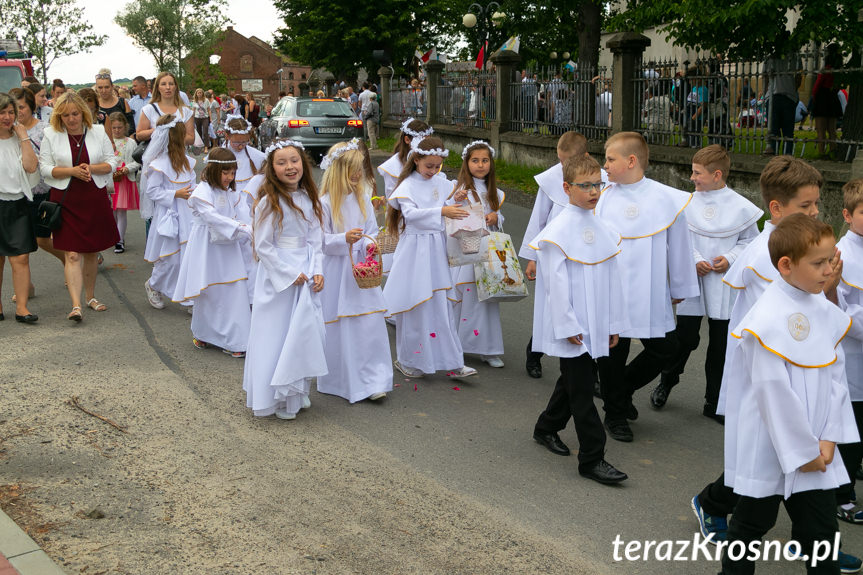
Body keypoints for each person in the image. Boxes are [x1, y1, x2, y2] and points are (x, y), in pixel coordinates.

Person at [691, 156, 827, 543]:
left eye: (816, 203)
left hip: (799, 372)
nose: (815, 211)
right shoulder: (769, 258)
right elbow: (788, 324)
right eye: (806, 206)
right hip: (766, 379)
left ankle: (820, 548)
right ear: (776, 208)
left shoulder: (803, 247)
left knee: (785, 465)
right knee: (760, 466)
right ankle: (712, 503)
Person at [719, 214, 856, 574]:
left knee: (821, 532)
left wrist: (828, 438)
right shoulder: (765, 320)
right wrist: (804, 451)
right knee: (750, 525)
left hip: (818, 449)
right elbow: (772, 393)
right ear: (786, 265)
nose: (830, 270)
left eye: (831, 260)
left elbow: (835, 380)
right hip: (771, 444)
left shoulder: (826, 313)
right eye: (819, 263)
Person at [529, 155, 628, 485]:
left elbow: (612, 277)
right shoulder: (558, 231)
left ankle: (546, 426)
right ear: (567, 188)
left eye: (598, 184)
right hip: (570, 325)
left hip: (596, 320)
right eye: (585, 186)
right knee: (582, 389)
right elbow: (555, 285)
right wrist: (568, 325)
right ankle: (592, 458)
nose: (593, 191)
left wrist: (613, 322)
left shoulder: (601, 227)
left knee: (575, 380)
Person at [595, 132, 699, 443]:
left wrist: (679, 285)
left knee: (667, 348)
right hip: (611, 286)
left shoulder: (667, 199)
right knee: (613, 352)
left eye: (610, 159)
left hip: (650, 289)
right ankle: (615, 413)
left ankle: (623, 389)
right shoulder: (601, 194)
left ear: (631, 161)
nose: (605, 165)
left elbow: (680, 246)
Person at [652, 145, 762, 421]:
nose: (692, 177)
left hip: (724, 281)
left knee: (721, 343)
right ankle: (667, 381)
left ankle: (714, 400)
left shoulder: (741, 207)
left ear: (716, 175)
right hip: (694, 276)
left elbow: (750, 242)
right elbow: (679, 238)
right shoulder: (687, 203)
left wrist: (729, 257)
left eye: (697, 173)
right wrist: (696, 259)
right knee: (685, 337)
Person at [243, 139, 326, 419]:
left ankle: (295, 391)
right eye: (282, 162)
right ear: (272, 169)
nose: (290, 167)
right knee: (277, 335)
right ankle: (273, 397)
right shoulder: (269, 202)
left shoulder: (310, 199)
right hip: (280, 277)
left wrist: (318, 270)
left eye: (294, 160)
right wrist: (290, 274)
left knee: (301, 333)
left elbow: (316, 239)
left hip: (305, 270)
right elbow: (264, 246)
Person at [383, 136, 477, 379]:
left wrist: (452, 201)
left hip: (436, 248)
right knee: (416, 303)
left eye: (438, 167)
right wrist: (442, 210)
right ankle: (409, 360)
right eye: (429, 166)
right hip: (415, 250)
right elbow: (412, 215)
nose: (433, 171)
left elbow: (442, 204)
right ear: (416, 160)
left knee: (441, 304)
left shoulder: (441, 183)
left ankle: (454, 360)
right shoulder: (406, 186)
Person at [519, 132, 605, 379]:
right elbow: (539, 219)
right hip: (555, 252)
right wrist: (532, 257)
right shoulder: (551, 180)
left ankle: (588, 368)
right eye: (560, 161)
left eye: (568, 161)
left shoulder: (598, 181)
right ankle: (534, 353)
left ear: (585, 156)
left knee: (585, 312)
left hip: (586, 252)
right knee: (553, 307)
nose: (563, 167)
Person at [317, 140, 392, 403]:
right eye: (353, 171)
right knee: (342, 323)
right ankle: (342, 378)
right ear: (338, 171)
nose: (358, 176)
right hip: (338, 271)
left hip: (361, 271)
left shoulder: (362, 200)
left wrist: (370, 245)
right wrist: (343, 239)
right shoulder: (324, 203)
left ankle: (374, 379)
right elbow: (319, 241)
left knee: (368, 322)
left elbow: (371, 229)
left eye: (360, 170)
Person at [39, 92, 120, 321]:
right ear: (59, 117)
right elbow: (44, 168)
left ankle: (91, 297)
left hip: (93, 195)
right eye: (66, 115)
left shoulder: (96, 132)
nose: (71, 119)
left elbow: (111, 162)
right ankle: (76, 305)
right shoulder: (51, 135)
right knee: (72, 254)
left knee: (91, 251)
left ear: (83, 113)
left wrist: (92, 168)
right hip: (65, 198)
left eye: (75, 114)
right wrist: (71, 171)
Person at [172, 147, 250, 357]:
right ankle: (205, 333)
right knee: (208, 291)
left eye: (233, 173)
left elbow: (243, 213)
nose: (230, 177)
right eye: (226, 173)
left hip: (229, 248)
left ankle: (236, 340)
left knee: (234, 290)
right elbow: (212, 217)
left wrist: (252, 227)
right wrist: (241, 228)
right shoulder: (201, 192)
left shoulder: (232, 193)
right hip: (206, 248)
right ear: (215, 170)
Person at [449, 141, 505, 368]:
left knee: (486, 298)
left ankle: (487, 348)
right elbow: (449, 214)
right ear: (466, 163)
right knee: (464, 297)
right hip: (467, 250)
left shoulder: (496, 193)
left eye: (485, 160)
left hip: (487, 251)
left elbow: (499, 219)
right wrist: (457, 201)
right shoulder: (458, 189)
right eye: (475, 160)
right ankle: (455, 346)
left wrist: (496, 218)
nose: (481, 165)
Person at [9, 88, 64, 280]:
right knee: (20, 245)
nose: (18, 112)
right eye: (13, 108)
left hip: (43, 192)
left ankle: (69, 260)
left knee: (42, 239)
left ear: (31, 106)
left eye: (21, 107)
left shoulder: (45, 130)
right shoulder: (8, 131)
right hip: (17, 194)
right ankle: (25, 286)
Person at [142, 115, 196, 310]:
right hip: (169, 215)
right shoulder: (158, 165)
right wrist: (175, 194)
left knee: (189, 257)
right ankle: (153, 284)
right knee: (170, 259)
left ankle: (189, 298)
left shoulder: (188, 162)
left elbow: (193, 184)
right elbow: (153, 191)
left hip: (188, 215)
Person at [136, 72, 194, 231]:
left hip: (178, 160)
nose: (167, 87)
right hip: (157, 160)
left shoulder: (185, 111)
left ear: (176, 86)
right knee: (156, 202)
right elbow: (139, 133)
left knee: (180, 202)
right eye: (163, 84)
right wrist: (159, 131)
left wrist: (174, 135)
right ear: (157, 88)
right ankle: (155, 243)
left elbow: (191, 138)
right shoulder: (149, 109)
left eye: (171, 84)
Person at [0, 92, 39, 323]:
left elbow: (31, 167)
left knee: (21, 258)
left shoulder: (19, 138)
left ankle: (22, 308)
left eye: (11, 112)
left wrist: (24, 137)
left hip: (17, 203)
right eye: (2, 112)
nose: (7, 117)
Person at [837, 179, 863, 525]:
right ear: (847, 215)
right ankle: (842, 494)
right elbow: (839, 309)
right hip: (853, 357)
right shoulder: (842, 256)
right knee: (851, 428)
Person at [107, 112, 139, 254]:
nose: (117, 130)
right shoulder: (106, 141)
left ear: (125, 127)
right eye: (114, 128)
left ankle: (119, 240)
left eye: (119, 127)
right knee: (111, 211)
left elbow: (137, 161)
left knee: (120, 211)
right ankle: (113, 236)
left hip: (124, 180)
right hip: (109, 179)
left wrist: (126, 169)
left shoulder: (130, 143)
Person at [763, 38, 802, 155]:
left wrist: (765, 92)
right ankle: (787, 154)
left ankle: (773, 152)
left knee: (773, 130)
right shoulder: (794, 57)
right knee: (788, 130)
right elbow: (799, 77)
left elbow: (765, 77)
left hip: (773, 96)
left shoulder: (770, 58)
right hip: (789, 96)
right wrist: (793, 89)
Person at [812, 44, 844, 159]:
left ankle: (822, 152)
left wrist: (814, 97)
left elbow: (817, 86)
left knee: (821, 130)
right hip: (833, 97)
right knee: (832, 129)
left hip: (822, 98)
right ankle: (833, 149)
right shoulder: (839, 70)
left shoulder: (826, 69)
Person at [222, 114, 265, 190]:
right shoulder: (219, 155)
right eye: (236, 143)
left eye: (244, 142)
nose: (240, 146)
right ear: (227, 136)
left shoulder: (256, 155)